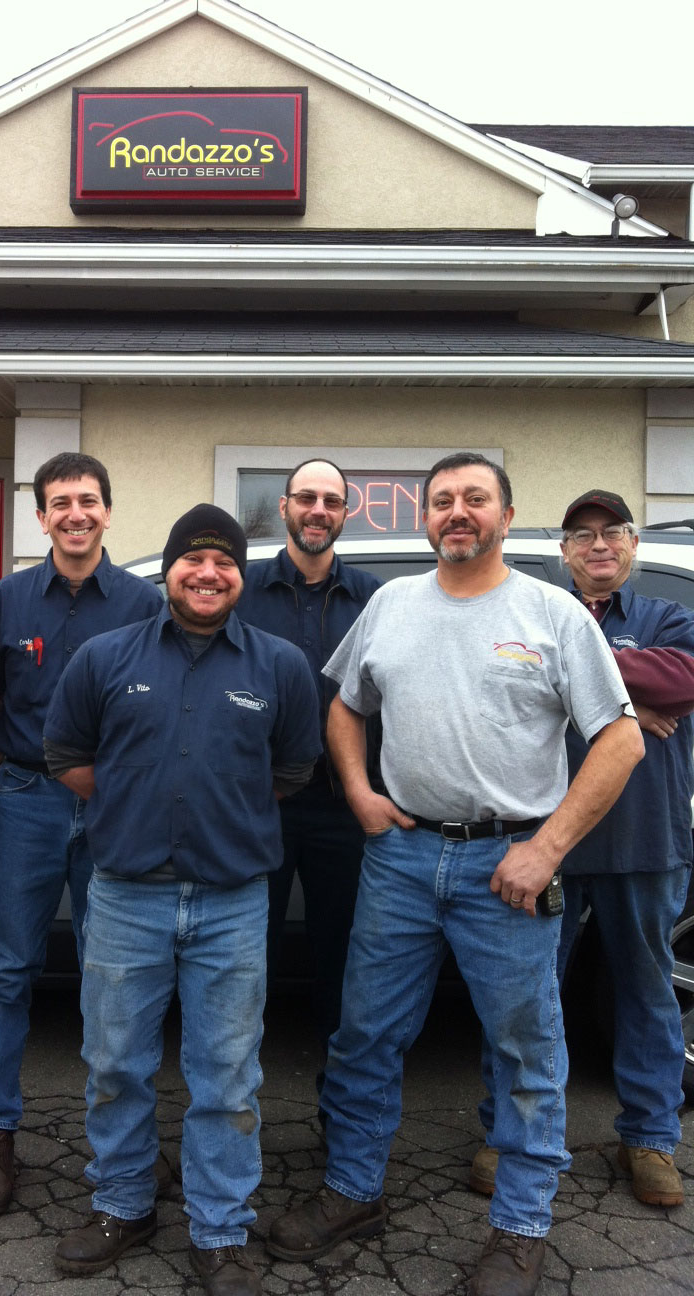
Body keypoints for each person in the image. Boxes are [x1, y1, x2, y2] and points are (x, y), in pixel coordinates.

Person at [266, 454, 644, 1296]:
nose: (457, 512)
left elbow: (619, 739)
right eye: (442, 502)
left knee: (523, 1050)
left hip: (507, 865)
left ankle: (519, 1228)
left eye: (476, 499)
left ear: (508, 516)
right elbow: (344, 705)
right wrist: (361, 792)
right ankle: (353, 1190)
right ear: (425, 519)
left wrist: (548, 847)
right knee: (364, 1036)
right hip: (401, 857)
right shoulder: (393, 605)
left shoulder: (551, 613)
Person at [43, 504, 321, 1296]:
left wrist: (216, 813)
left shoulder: (280, 667)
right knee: (114, 1065)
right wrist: (137, 801)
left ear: (240, 574)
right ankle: (123, 1203)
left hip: (233, 902)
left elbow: (293, 770)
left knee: (227, 1075)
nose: (207, 574)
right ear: (166, 571)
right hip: (126, 895)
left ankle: (219, 1228)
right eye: (191, 561)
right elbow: (66, 752)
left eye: (223, 562)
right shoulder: (105, 656)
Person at [470, 488, 693, 1211]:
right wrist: (632, 680)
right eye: (583, 535)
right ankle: (507, 1134)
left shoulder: (670, 616)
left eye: (613, 532)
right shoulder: (532, 614)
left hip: (644, 839)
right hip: (545, 842)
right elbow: (498, 683)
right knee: (522, 998)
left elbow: (684, 676)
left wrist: (579, 666)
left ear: (630, 547)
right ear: (564, 554)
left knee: (647, 993)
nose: (599, 544)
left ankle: (651, 1138)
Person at [0, 452, 162, 1214]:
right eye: (59, 503)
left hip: (116, 807)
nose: (74, 513)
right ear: (40, 517)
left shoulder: (146, 603)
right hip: (27, 800)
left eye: (87, 500)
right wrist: (13, 781)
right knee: (6, 969)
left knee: (113, 980)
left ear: (108, 511)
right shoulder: (8, 602)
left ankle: (123, 1142)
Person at [237, 458, 380, 1097]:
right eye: (306, 498)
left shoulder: (377, 598)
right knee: (240, 961)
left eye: (332, 500)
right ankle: (235, 1101)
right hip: (255, 805)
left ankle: (340, 1108)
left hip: (346, 807)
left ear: (345, 513)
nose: (318, 510)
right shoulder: (239, 588)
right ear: (285, 507)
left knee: (345, 964)